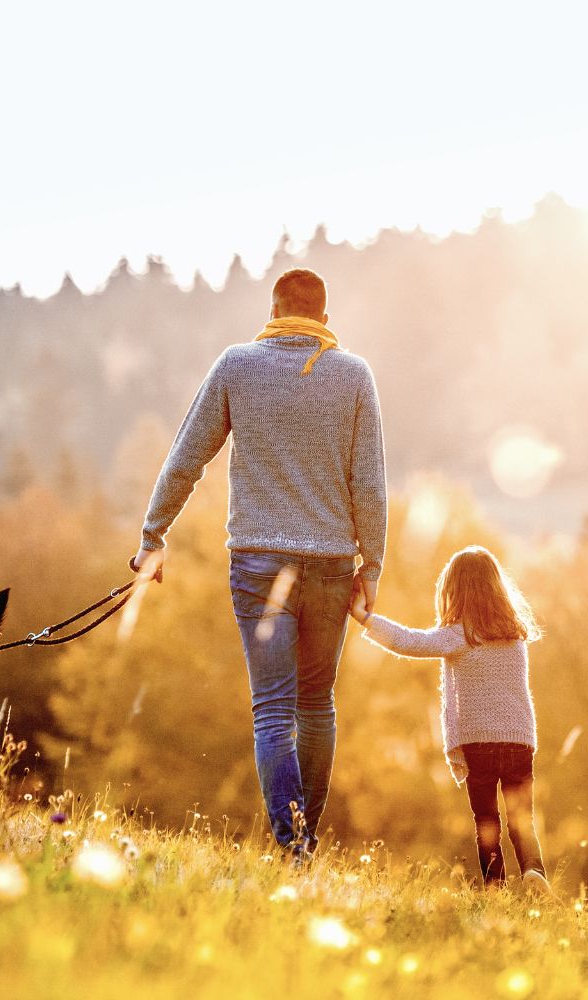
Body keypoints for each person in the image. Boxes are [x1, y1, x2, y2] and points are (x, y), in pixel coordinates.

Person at [130, 267, 386, 855]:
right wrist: (371, 567)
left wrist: (153, 536)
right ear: (324, 317)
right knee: (316, 705)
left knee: (273, 709)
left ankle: (293, 845)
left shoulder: (236, 366)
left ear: (273, 312)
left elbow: (186, 458)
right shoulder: (354, 375)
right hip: (331, 564)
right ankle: (305, 842)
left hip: (258, 564)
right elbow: (369, 484)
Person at [351, 546, 552, 893]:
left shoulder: (461, 636)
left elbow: (408, 641)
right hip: (519, 740)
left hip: (480, 744)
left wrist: (365, 617)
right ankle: (534, 873)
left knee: (486, 821)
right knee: (523, 819)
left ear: (455, 591)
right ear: (497, 588)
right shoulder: (514, 636)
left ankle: (495, 890)